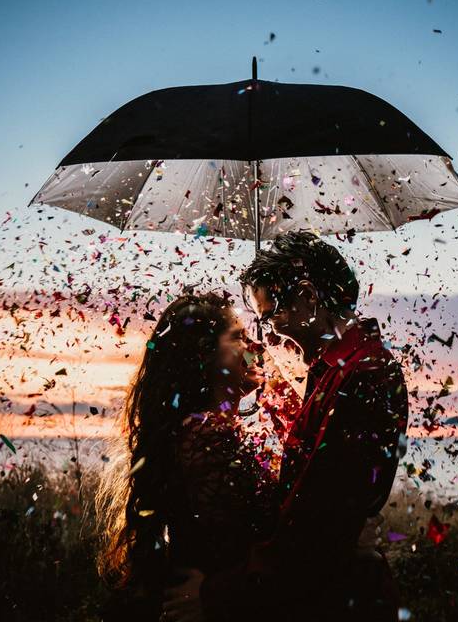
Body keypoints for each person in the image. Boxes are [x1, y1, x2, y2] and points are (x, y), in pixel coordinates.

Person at [164, 231, 409, 622]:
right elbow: (307, 466)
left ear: (308, 298)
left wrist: (216, 596)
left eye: (271, 314)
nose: (270, 331)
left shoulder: (363, 376)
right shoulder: (333, 370)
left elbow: (317, 528)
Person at [95, 292, 276, 621]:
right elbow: (242, 543)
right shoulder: (208, 437)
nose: (257, 348)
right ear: (204, 355)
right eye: (239, 337)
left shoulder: (199, 430)